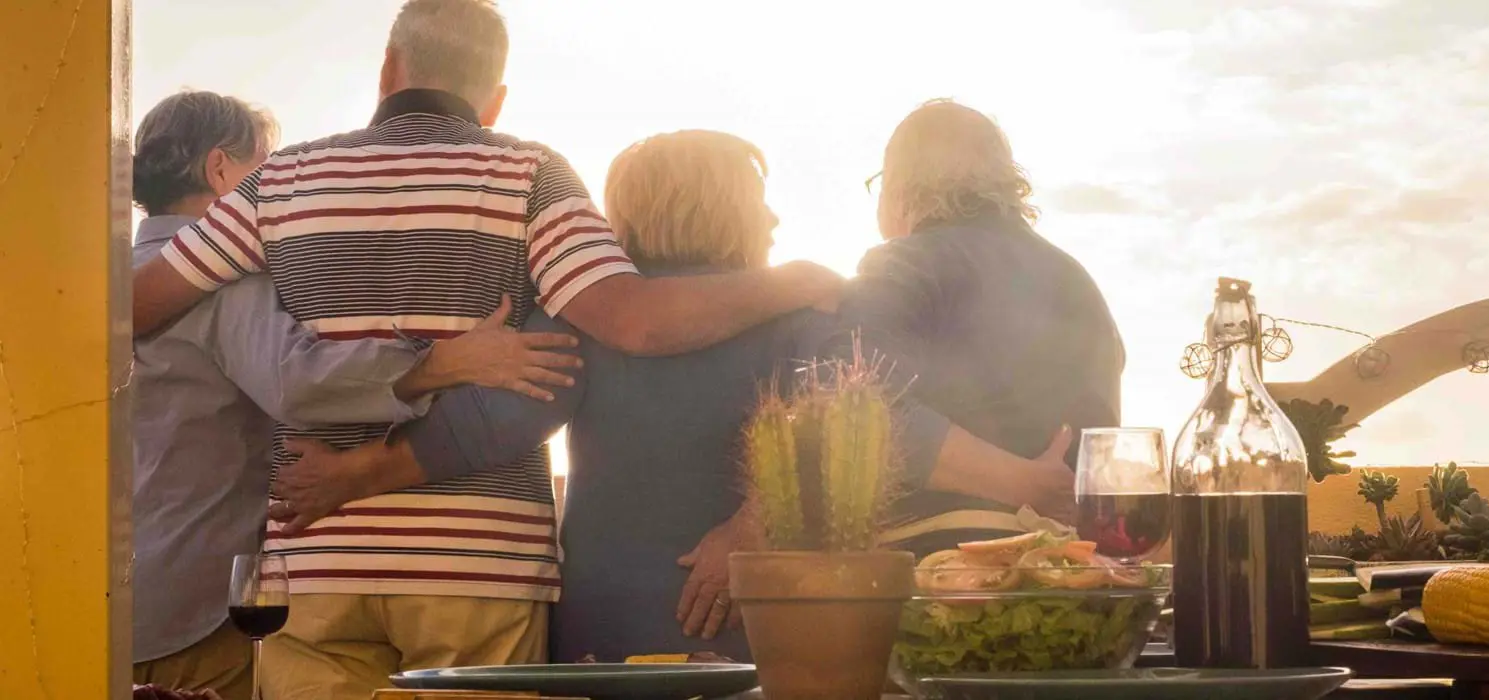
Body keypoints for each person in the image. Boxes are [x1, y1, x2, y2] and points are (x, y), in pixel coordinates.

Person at [123, 2, 837, 697]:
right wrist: (795, 282)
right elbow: (634, 323)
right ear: (494, 100)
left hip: (315, 563)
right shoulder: (532, 176)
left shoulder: (277, 181)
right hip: (479, 570)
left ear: (387, 69)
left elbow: (134, 308)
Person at [267, 129, 1077, 663]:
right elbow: (865, 425)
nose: (773, 215)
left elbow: (492, 423)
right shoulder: (803, 315)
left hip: (603, 616)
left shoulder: (586, 317)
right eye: (757, 197)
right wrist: (1028, 482)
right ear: (720, 204)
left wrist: (359, 473)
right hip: (748, 619)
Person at [128, 90, 577, 700]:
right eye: (262, 165)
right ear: (220, 171)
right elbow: (300, 382)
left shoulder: (95, 285)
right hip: (209, 610)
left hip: (119, 603)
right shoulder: (220, 286)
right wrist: (435, 364)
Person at [839, 98, 1125, 553]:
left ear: (900, 187)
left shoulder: (903, 265)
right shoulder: (1078, 281)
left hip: (941, 574)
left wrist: (1019, 484)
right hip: (1075, 574)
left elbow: (866, 409)